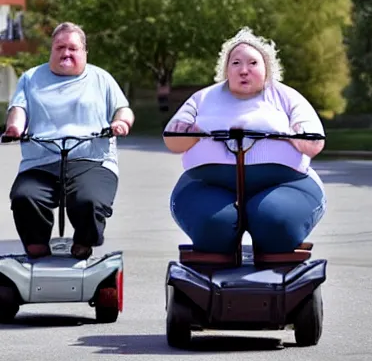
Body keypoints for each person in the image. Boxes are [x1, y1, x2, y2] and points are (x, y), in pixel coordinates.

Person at [163, 27, 326, 256]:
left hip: (284, 184)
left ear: (267, 68)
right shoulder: (202, 98)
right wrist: (192, 132)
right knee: (213, 226)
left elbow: (314, 142)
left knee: (275, 221)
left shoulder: (287, 97)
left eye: (253, 63)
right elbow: (173, 141)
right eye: (236, 63)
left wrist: (295, 137)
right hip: (207, 184)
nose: (244, 70)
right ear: (226, 69)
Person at [2, 22, 135, 259]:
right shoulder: (31, 77)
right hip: (41, 161)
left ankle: (84, 242)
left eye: (73, 48)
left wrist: (121, 123)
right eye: (60, 47)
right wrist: (15, 127)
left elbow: (122, 109)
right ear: (51, 50)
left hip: (92, 159)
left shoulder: (100, 78)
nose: (66, 53)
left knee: (89, 200)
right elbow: (18, 108)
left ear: (84, 51)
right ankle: (36, 247)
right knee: (24, 196)